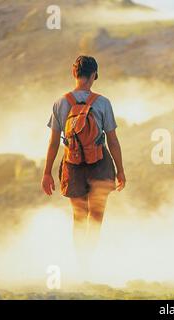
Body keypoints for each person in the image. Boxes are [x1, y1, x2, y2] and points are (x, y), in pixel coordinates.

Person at [41, 56, 126, 265]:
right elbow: (113, 141)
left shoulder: (61, 102)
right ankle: (90, 262)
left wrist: (47, 172)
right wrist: (120, 171)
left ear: (74, 74)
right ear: (94, 76)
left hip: (73, 165)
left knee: (79, 217)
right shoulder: (103, 103)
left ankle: (81, 264)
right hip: (100, 164)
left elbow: (53, 143)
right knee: (96, 217)